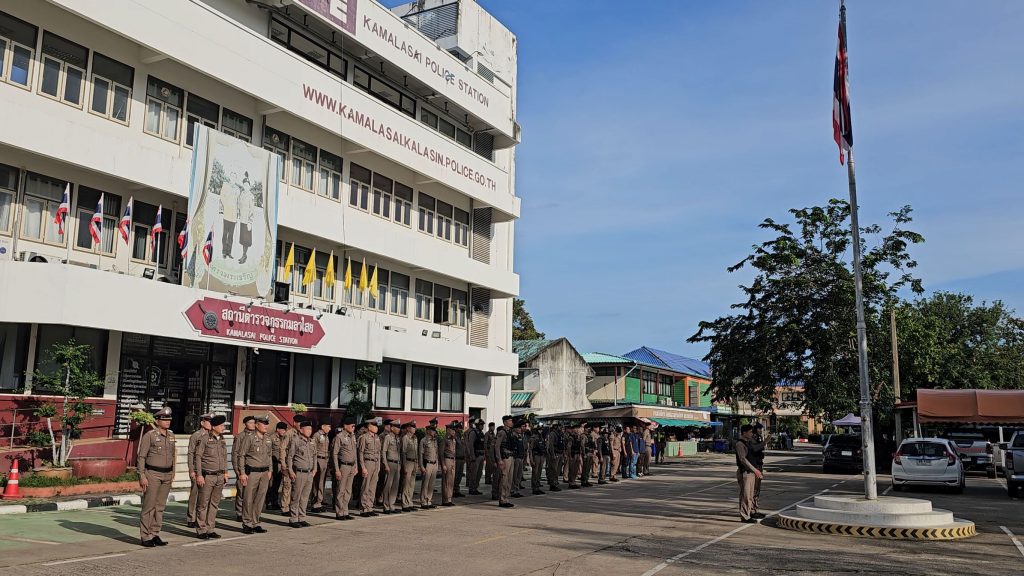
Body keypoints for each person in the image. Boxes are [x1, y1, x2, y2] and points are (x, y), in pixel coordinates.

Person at [138, 407, 176, 547]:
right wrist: (142, 475)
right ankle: (145, 536)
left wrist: (173, 472)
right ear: (157, 421)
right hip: (153, 474)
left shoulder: (171, 435)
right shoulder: (150, 435)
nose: (167, 422)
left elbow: (173, 455)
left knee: (160, 506)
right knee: (149, 506)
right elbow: (141, 457)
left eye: (169, 419)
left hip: (167, 474)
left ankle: (154, 533)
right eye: (164, 419)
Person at [234, 414, 273, 534]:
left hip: (264, 472)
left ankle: (256, 522)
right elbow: (241, 455)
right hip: (252, 473)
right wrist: (242, 472)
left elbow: (269, 455)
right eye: (263, 424)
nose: (266, 426)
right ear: (257, 425)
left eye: (267, 424)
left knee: (260, 498)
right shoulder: (249, 438)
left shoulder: (268, 438)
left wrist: (270, 470)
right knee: (248, 498)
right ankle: (247, 523)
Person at [193, 415, 229, 539]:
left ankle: (210, 528)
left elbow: (224, 457)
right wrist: (199, 475)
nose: (223, 428)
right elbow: (198, 457)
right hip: (207, 475)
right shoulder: (204, 439)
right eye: (221, 425)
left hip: (219, 475)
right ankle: (201, 529)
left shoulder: (222, 439)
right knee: (203, 503)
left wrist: (225, 472)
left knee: (214, 503)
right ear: (214, 427)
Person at [186, 412, 213, 528]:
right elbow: (191, 453)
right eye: (209, 421)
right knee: (195, 494)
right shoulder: (196, 435)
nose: (211, 424)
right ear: (202, 423)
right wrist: (191, 470)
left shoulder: (212, 436)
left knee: (205, 496)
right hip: (197, 469)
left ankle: (201, 518)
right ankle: (191, 517)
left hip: (207, 469)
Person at [735, 424, 765, 523]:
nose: (752, 433)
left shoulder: (748, 443)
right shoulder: (740, 444)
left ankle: (749, 512)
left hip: (751, 472)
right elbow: (743, 459)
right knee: (746, 495)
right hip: (745, 472)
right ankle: (745, 516)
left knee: (751, 495)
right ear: (744, 433)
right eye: (750, 432)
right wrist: (755, 470)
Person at [331, 416, 358, 521]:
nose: (353, 428)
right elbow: (335, 454)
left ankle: (345, 511)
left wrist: (356, 466)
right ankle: (339, 512)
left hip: (352, 466)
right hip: (343, 466)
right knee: (341, 490)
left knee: (348, 490)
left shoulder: (353, 436)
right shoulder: (340, 436)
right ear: (345, 426)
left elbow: (355, 453)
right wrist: (337, 469)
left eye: (354, 426)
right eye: (352, 426)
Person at [233, 415, 256, 521]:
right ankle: (239, 512)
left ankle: (248, 512)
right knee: (241, 491)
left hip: (253, 468)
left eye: (254, 422)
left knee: (251, 492)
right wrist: (237, 470)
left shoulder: (257, 435)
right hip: (242, 467)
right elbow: (235, 454)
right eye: (250, 422)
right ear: (245, 424)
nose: (253, 424)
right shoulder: (240, 436)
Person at [358, 419, 382, 517]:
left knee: (372, 487)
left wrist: (379, 466)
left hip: (375, 463)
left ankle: (370, 507)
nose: (376, 427)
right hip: (368, 462)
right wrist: (363, 467)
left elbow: (379, 453)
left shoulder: (377, 438)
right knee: (366, 486)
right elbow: (360, 453)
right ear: (369, 427)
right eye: (374, 425)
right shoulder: (363, 437)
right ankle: (364, 508)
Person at [380, 419, 402, 514]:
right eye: (397, 427)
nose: (398, 429)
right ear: (392, 428)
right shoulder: (388, 437)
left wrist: (400, 464)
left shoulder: (398, 438)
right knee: (388, 485)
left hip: (397, 463)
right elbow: (383, 451)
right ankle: (386, 506)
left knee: (395, 486)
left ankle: (392, 505)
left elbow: (399, 452)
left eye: (399, 427)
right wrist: (385, 464)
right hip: (390, 463)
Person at [493, 415, 515, 508]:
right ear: (505, 422)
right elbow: (497, 446)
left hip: (511, 456)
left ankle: (506, 498)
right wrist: (499, 459)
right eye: (509, 421)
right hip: (505, 458)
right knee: (504, 479)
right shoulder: (502, 432)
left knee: (509, 479)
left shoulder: (510, 432)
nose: (511, 422)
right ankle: (502, 500)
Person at [311, 420, 332, 513]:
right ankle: (315, 503)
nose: (330, 429)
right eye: (328, 426)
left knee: (322, 482)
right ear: (323, 426)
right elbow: (313, 450)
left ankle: (319, 501)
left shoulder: (326, 436)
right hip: (318, 460)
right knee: (317, 482)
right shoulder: (316, 435)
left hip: (325, 460)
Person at [419, 422, 440, 509]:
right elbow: (421, 454)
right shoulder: (423, 441)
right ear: (428, 431)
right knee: (425, 483)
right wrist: (421, 466)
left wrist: (437, 464)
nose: (434, 432)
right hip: (427, 463)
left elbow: (436, 453)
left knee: (431, 484)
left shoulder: (435, 440)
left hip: (434, 463)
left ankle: (429, 500)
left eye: (434, 430)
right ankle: (423, 501)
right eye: (432, 430)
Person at [268, 422, 289, 510]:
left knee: (277, 484)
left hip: (281, 464)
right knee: (271, 484)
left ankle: (275, 502)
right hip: (273, 463)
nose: (284, 431)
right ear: (278, 429)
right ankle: (269, 502)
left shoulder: (285, 438)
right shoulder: (271, 438)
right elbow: (268, 452)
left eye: (285, 430)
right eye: (283, 430)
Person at [399, 421, 419, 512]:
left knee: (412, 484)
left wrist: (417, 464)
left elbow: (416, 452)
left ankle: (410, 502)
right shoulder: (405, 438)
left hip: (414, 462)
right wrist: (404, 466)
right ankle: (405, 503)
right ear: (408, 428)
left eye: (415, 427)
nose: (414, 429)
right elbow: (403, 452)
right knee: (406, 484)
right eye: (412, 427)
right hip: (408, 462)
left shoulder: (415, 438)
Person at [749, 423, 767, 516]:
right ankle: (751, 509)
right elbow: (755, 449)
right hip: (755, 465)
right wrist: (764, 442)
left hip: (759, 464)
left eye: (761, 429)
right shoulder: (752, 439)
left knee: (757, 489)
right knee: (754, 488)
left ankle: (755, 508)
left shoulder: (758, 438)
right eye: (759, 429)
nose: (760, 431)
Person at [441, 420, 459, 506]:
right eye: (452, 430)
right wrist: (443, 464)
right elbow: (441, 453)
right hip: (447, 460)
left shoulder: (453, 439)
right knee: (446, 481)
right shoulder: (444, 439)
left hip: (453, 460)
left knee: (451, 480)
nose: (454, 431)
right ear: (448, 430)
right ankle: (445, 500)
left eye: (454, 430)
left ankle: (449, 498)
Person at [466, 419, 485, 496]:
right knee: (474, 473)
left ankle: (475, 487)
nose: (482, 426)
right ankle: (471, 488)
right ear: (477, 425)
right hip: (476, 456)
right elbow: (470, 445)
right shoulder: (473, 433)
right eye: (481, 425)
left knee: (479, 473)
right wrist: (472, 456)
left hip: (481, 455)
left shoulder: (481, 433)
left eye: (483, 425)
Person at [510, 417, 526, 498]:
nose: (520, 429)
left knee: (519, 475)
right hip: (515, 458)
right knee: (514, 475)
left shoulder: (520, 436)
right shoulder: (512, 436)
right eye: (519, 428)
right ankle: (513, 490)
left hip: (520, 457)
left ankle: (516, 489)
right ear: (515, 428)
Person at [545, 423, 564, 492]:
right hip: (555, 453)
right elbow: (551, 445)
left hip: (559, 453)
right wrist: (553, 454)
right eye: (560, 427)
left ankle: (555, 483)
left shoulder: (559, 434)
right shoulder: (552, 434)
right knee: (553, 470)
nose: (561, 428)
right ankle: (552, 484)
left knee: (557, 470)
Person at [530, 424, 546, 495]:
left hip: (541, 455)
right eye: (539, 430)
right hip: (535, 456)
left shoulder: (541, 437)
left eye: (541, 430)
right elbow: (530, 449)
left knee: (539, 472)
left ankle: (538, 486)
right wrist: (531, 459)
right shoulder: (533, 438)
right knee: (535, 472)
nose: (541, 431)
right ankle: (534, 488)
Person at [452, 420, 466, 498]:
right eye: (459, 428)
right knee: (455, 475)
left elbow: (464, 447)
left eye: (461, 428)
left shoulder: (461, 436)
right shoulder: (454, 437)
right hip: (456, 458)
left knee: (459, 476)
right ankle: (453, 490)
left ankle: (457, 490)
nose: (460, 429)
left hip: (462, 458)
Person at [484, 422, 496, 487]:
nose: (493, 428)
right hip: (488, 451)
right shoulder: (487, 434)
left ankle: (490, 478)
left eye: (494, 427)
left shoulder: (494, 434)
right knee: (488, 466)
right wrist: (486, 452)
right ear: (489, 427)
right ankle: (487, 479)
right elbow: (485, 443)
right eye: (492, 426)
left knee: (492, 466)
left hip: (492, 452)